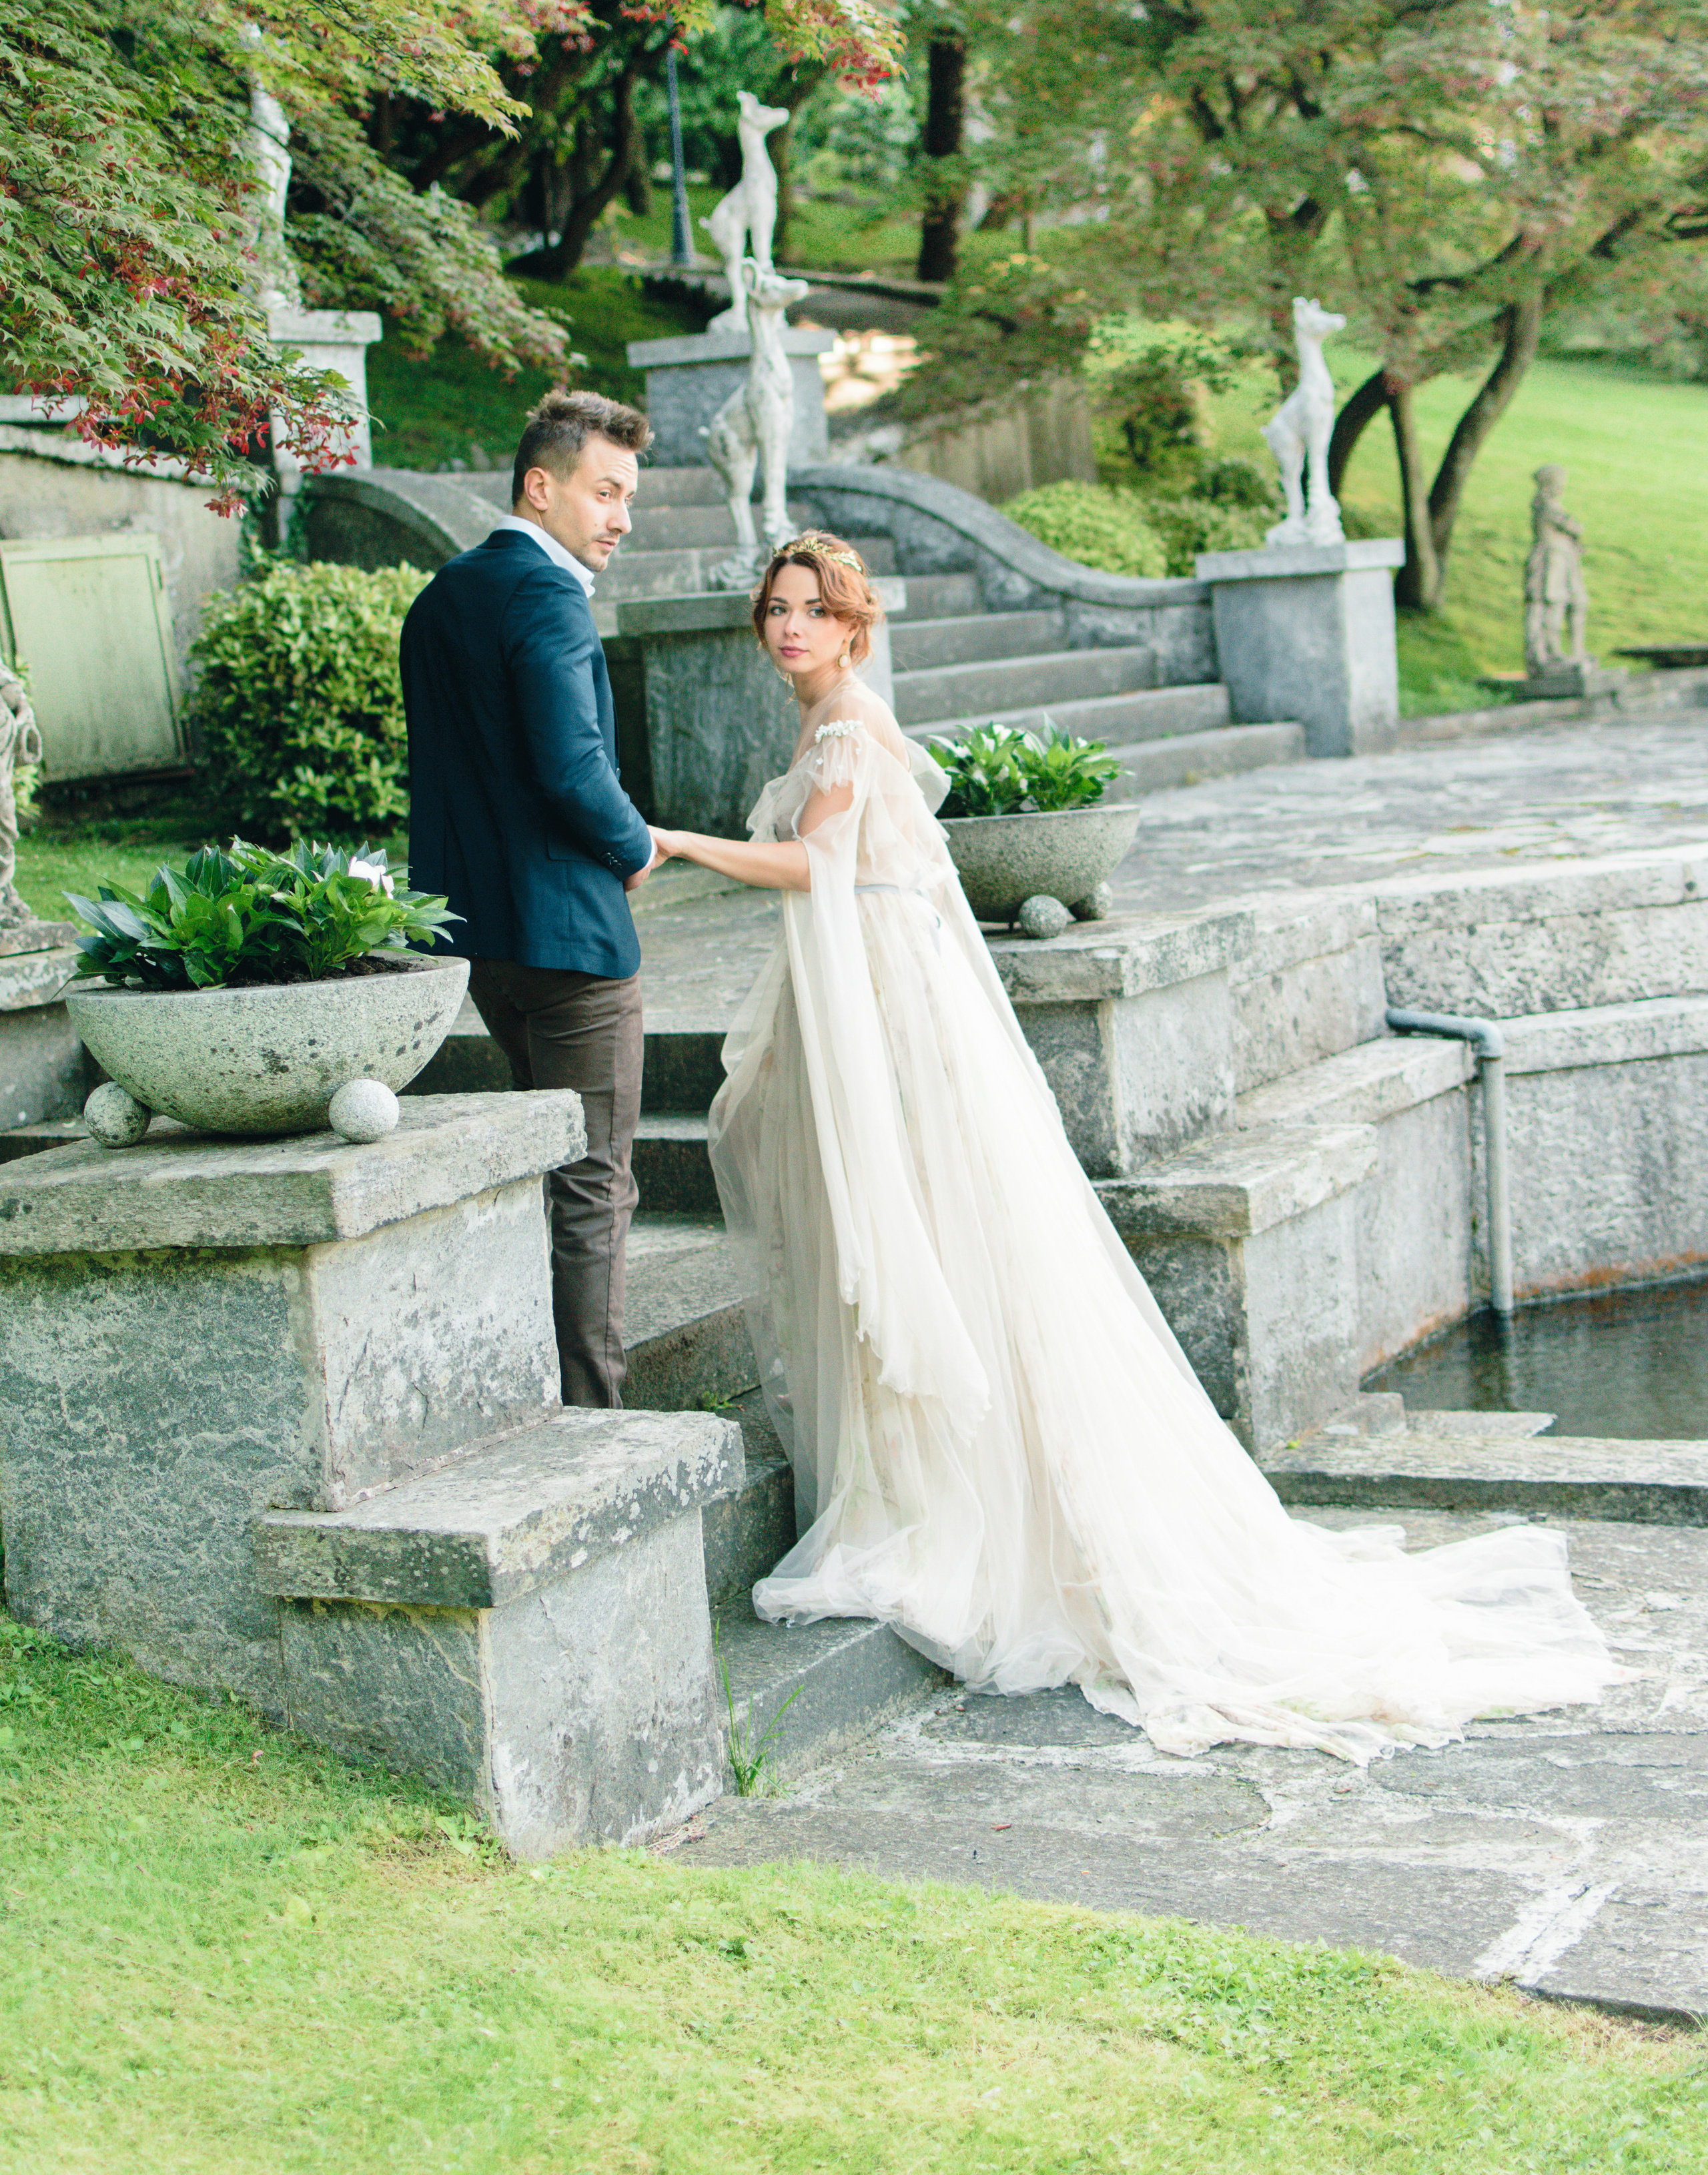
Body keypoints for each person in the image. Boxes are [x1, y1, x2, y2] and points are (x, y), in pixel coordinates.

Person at [649, 531, 1621, 1761]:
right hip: (888, 987)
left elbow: (815, 864)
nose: (788, 629)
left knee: (934, 1232)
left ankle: (972, 1511)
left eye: (811, 612)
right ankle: (941, 1482)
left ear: (853, 627)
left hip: (893, 1002)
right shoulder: (839, 719)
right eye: (776, 612)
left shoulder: (844, 724)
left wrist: (680, 844)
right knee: (928, 1233)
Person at [401, 390, 658, 1408]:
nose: (621, 518)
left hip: (482, 941)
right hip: (574, 944)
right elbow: (570, 765)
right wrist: (633, 842)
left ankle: (542, 1390)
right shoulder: (548, 599)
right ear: (540, 487)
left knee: (550, 1171)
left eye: (628, 497)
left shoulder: (442, 595)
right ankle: (596, 1419)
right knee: (594, 1182)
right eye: (605, 492)